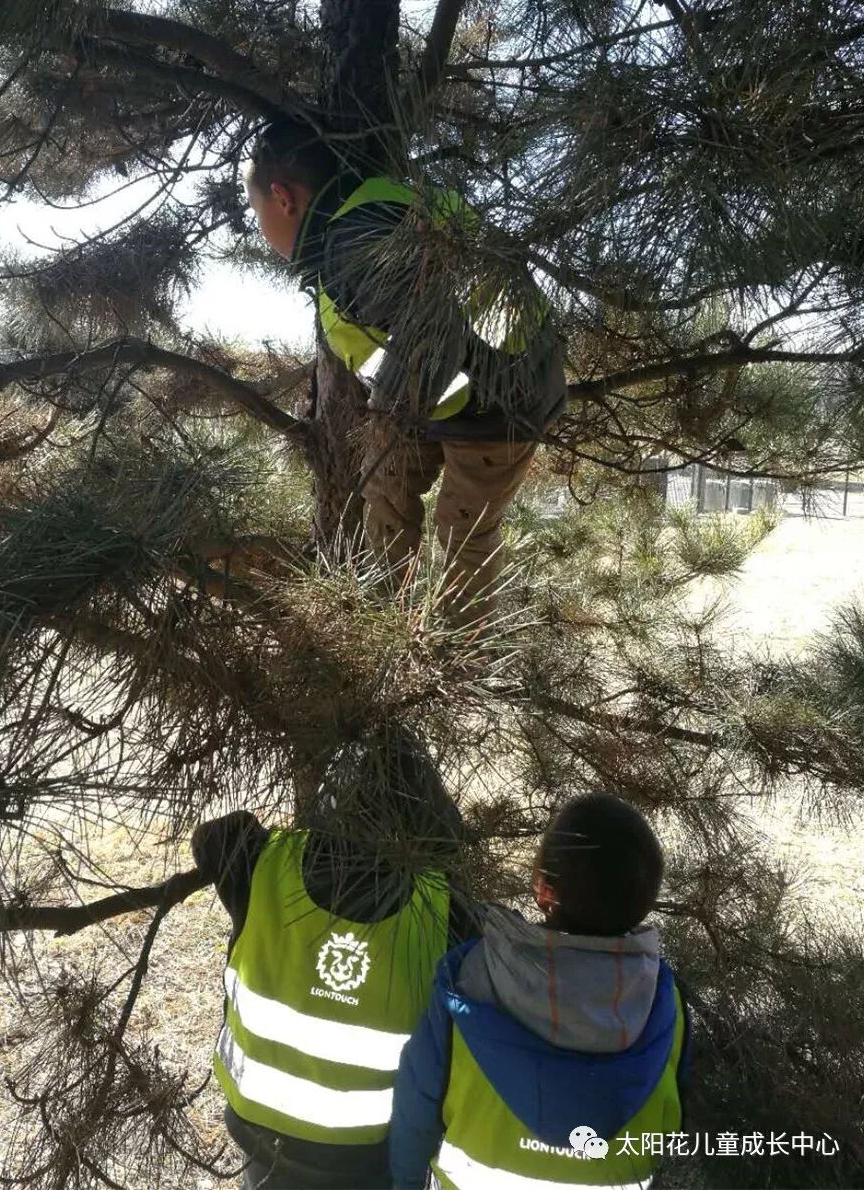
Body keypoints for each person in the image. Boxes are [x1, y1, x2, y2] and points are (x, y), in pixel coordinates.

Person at [243, 120, 567, 614]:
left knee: (463, 533)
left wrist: (384, 415)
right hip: (448, 387)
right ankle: (386, 626)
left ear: (283, 198)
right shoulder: (369, 205)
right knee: (386, 495)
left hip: (500, 397)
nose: (260, 229)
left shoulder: (351, 242)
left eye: (255, 211)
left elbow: (436, 326)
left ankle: (457, 654)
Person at [195, 735, 480, 1189]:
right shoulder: (447, 910)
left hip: (262, 1134)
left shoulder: (260, 862)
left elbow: (212, 837)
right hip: (369, 1159)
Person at [389, 792, 691, 1189]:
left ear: (545, 891)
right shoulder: (665, 1004)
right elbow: (672, 1122)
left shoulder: (470, 977)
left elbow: (416, 1112)